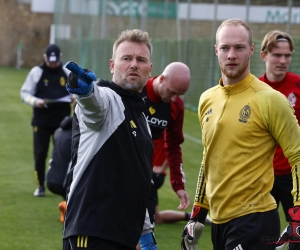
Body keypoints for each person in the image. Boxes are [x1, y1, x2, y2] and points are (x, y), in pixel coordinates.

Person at [181, 18, 300, 250]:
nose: (231, 55)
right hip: (219, 221)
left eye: (239, 47)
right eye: (225, 48)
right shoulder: (207, 99)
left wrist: (297, 214)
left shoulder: (271, 99)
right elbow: (209, 157)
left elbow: (297, 156)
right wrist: (197, 213)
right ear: (216, 50)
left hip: (255, 219)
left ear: (252, 50)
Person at [63, 29, 156, 250]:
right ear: (113, 66)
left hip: (124, 236)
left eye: (140, 60)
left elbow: (137, 181)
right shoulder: (107, 99)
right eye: (127, 58)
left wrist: (145, 232)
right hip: (92, 232)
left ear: (149, 70)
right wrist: (86, 92)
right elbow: (95, 106)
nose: (134, 64)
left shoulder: (142, 119)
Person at [142, 62, 191, 227]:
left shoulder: (176, 106)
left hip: (144, 173)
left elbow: (173, 146)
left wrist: (179, 185)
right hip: (117, 171)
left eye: (179, 94)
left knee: (147, 229)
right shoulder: (137, 89)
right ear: (161, 79)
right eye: (172, 92)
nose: (174, 98)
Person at [20, 44, 73, 197]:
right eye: (50, 62)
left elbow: (78, 93)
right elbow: (25, 94)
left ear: (60, 58)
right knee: (40, 153)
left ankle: (64, 186)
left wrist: (75, 98)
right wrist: (36, 102)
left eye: (55, 62)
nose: (53, 64)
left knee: (63, 153)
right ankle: (40, 186)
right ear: (44, 58)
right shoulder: (36, 72)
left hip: (62, 122)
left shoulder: (67, 72)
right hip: (41, 120)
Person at [259, 30, 300, 222]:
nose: (283, 61)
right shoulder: (255, 90)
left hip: (294, 174)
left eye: (287, 55)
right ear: (264, 55)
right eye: (277, 55)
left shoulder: (298, 86)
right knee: (261, 233)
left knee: (297, 232)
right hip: (262, 175)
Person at [46, 101, 76, 223]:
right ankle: (67, 205)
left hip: (51, 179)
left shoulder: (59, 130)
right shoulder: (80, 133)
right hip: (64, 183)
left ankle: (67, 205)